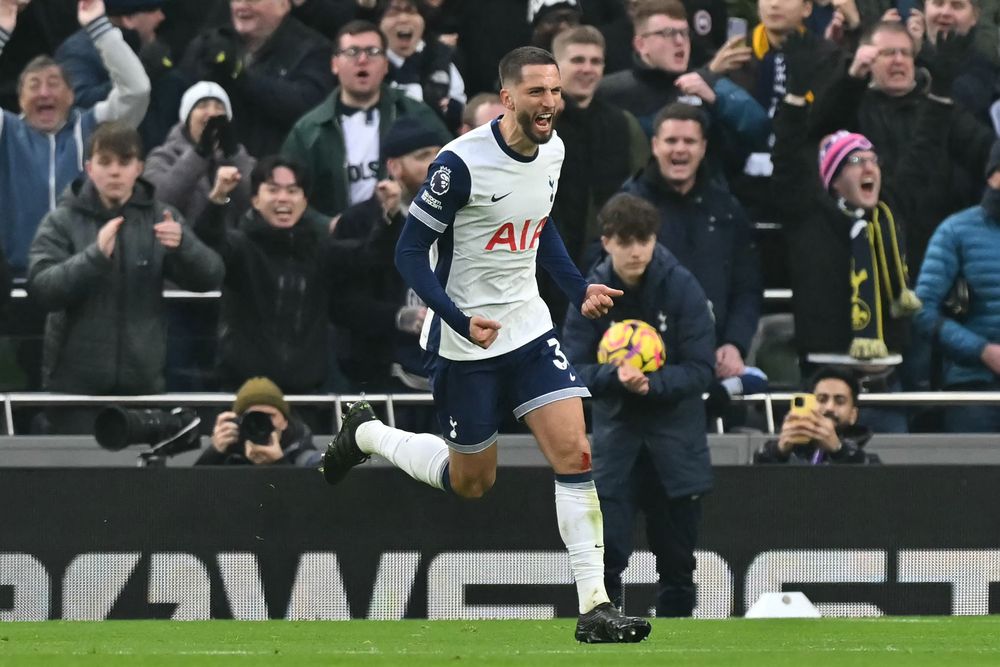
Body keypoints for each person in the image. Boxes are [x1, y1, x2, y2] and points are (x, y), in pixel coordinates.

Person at [323, 46, 651, 643]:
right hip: (464, 341)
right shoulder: (459, 164)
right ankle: (367, 433)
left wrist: (577, 290)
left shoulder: (553, 150)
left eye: (554, 91)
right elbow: (407, 253)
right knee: (473, 482)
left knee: (576, 452)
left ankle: (595, 605)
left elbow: (540, 223)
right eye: (537, 93)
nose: (550, 102)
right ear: (507, 98)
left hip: (526, 327)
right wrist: (457, 316)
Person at [561, 193, 715, 618]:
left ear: (654, 239)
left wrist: (653, 384)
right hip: (617, 445)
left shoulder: (681, 286)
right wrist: (615, 377)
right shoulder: (590, 295)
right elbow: (570, 368)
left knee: (678, 564)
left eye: (642, 239)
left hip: (675, 444)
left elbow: (702, 368)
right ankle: (607, 632)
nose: (635, 250)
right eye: (624, 240)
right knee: (607, 559)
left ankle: (679, 647)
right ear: (606, 241)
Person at [27, 121, 223, 430]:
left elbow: (211, 276)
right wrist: (94, 257)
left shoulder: (162, 217)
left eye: (125, 162)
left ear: (139, 168)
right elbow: (41, 289)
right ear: (89, 168)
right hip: (74, 390)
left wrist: (183, 246)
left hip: (142, 388)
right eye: (105, 162)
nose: (115, 172)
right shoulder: (61, 221)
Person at [0, 0, 151, 278]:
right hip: (16, 280)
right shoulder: (6, 132)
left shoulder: (94, 127)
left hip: (85, 277)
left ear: (71, 95)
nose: (44, 93)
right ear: (20, 99)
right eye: (34, 85)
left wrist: (99, 27)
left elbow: (137, 91)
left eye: (54, 84)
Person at [623, 103, 762, 392]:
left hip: (715, 359)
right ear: (655, 145)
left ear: (703, 147)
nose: (680, 150)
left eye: (689, 141)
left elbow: (747, 286)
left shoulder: (726, 209)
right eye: (672, 141)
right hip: (645, 366)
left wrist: (735, 344)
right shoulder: (628, 207)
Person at [193, 155, 356, 397]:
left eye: (292, 191)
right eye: (273, 190)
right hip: (243, 392)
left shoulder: (321, 249)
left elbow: (369, 255)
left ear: (304, 200)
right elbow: (207, 241)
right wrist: (218, 197)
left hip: (307, 393)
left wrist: (389, 217)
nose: (283, 198)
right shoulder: (241, 246)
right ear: (255, 199)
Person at [329, 116, 447, 405]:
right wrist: (398, 317)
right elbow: (343, 304)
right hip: (384, 379)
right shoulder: (359, 222)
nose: (435, 164)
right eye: (422, 157)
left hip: (450, 374)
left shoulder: (459, 214)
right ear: (394, 167)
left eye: (439, 155)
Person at [281, 19, 448, 219]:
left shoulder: (414, 112)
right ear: (334, 64)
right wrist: (328, 227)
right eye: (352, 52)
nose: (362, 60)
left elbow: (453, 167)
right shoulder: (309, 129)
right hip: (338, 242)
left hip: (405, 231)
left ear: (386, 64)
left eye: (372, 52)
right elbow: (288, 190)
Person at [596, 0, 770, 188]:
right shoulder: (613, 91)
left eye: (684, 33)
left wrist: (717, 100)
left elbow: (761, 129)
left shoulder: (709, 84)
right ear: (641, 44)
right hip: (636, 203)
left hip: (705, 204)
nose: (680, 41)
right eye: (668, 33)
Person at [912, 140, 1000, 433]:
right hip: (973, 389)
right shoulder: (956, 231)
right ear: (993, 175)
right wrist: (983, 351)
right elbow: (922, 311)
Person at [179, 0, 335, 157]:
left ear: (283, 5)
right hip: (212, 168)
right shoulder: (209, 44)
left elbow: (308, 106)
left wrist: (241, 77)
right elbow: (181, 100)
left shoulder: (312, 49)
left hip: (278, 170)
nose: (241, 6)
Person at [54, 0, 186, 150]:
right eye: (152, 9)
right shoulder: (77, 53)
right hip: (97, 153)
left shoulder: (146, 45)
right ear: (128, 19)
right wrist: (137, 74)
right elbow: (79, 102)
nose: (161, 16)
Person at [144, 81, 256, 227]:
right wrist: (199, 154)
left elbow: (256, 202)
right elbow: (159, 200)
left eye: (219, 107)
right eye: (202, 106)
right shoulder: (162, 157)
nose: (212, 113)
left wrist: (233, 155)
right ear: (187, 118)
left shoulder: (242, 159)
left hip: (230, 245)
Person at [753, 366, 881, 463]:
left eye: (839, 401)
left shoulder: (865, 456)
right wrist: (777, 452)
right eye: (822, 399)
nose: (829, 407)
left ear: (853, 415)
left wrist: (840, 451)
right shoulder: (781, 449)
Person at [379, 0, 466, 133]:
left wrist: (455, 113)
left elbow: (462, 110)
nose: (403, 18)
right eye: (393, 12)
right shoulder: (368, 65)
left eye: (411, 11)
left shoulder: (442, 59)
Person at [196, 376, 322, 466]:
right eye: (253, 416)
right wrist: (214, 453)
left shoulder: (305, 457)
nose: (262, 423)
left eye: (269, 416)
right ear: (239, 422)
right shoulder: (229, 453)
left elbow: (311, 500)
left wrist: (279, 464)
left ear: (285, 421)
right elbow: (192, 496)